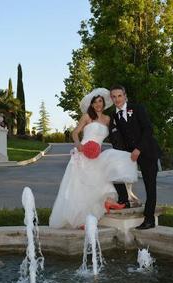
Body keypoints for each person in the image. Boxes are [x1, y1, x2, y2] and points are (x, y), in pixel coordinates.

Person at [49, 88, 138, 229]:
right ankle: (81, 220)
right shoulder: (86, 117)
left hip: (97, 154)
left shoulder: (108, 119)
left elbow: (118, 133)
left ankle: (105, 204)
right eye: (95, 102)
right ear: (91, 104)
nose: (98, 104)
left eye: (100, 101)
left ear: (103, 103)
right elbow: (75, 133)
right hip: (83, 153)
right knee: (81, 188)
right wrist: (78, 145)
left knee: (104, 177)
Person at [109, 85, 161, 230]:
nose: (117, 99)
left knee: (150, 186)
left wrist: (139, 148)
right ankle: (124, 200)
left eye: (119, 96)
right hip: (129, 155)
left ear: (125, 96)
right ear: (111, 99)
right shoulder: (114, 116)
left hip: (147, 151)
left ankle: (149, 219)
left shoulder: (138, 108)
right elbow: (117, 138)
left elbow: (148, 129)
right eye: (114, 96)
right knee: (113, 172)